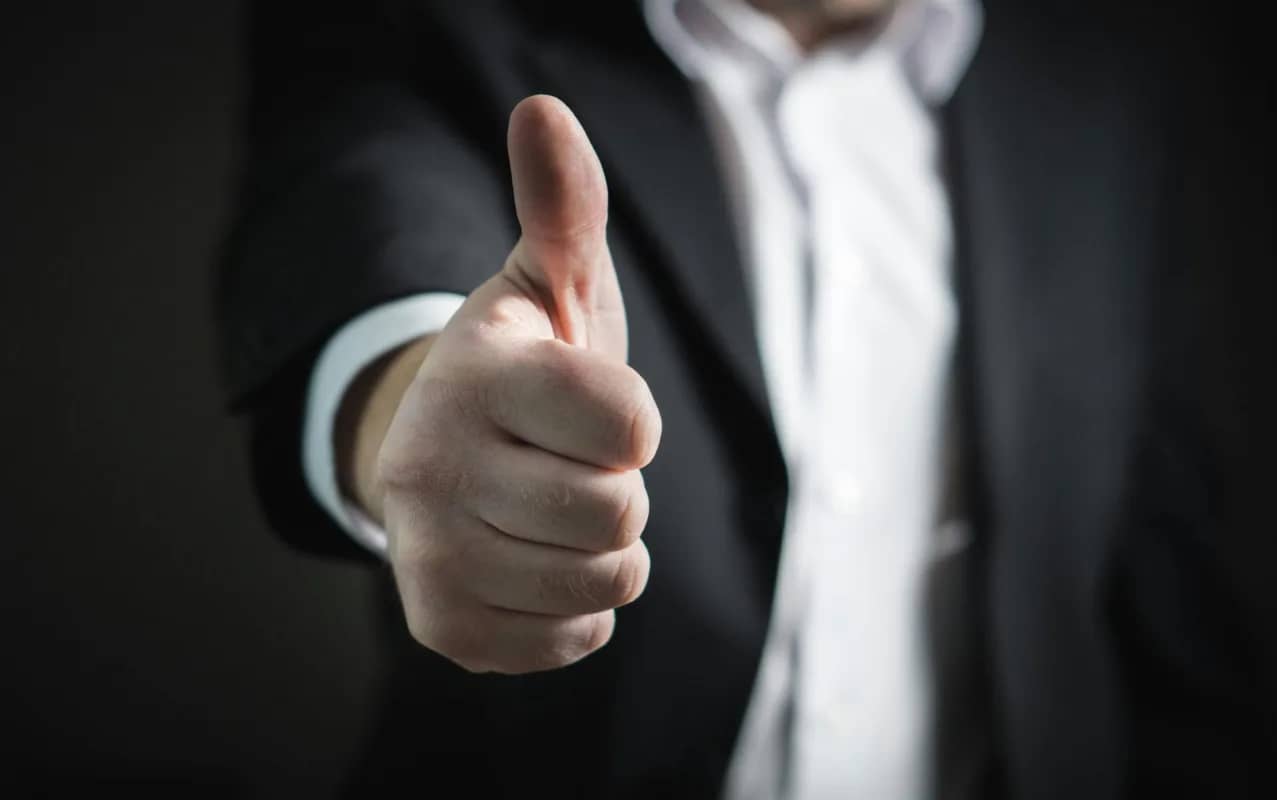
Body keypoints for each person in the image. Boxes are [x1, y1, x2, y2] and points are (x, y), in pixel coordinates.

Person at [217, 0, 1275, 797]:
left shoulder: (1110, 73)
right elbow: (369, 242)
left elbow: (1166, 573)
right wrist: (422, 426)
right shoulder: (438, 26)